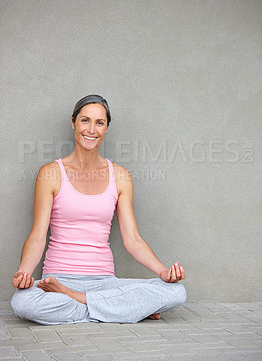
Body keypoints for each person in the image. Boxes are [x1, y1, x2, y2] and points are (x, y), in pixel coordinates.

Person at [11, 94, 186, 325]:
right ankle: (120, 310)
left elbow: (133, 239)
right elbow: (37, 236)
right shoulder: (50, 173)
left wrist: (163, 273)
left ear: (106, 128)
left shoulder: (120, 176)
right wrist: (24, 273)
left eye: (99, 122)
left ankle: (79, 299)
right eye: (85, 120)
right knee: (22, 302)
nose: (91, 129)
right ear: (73, 122)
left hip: (104, 282)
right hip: (57, 279)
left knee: (176, 292)